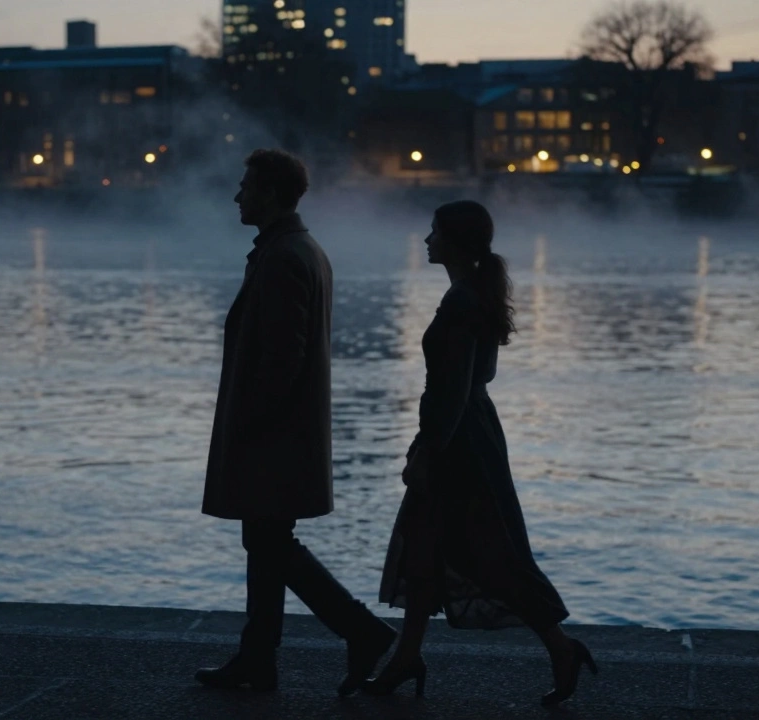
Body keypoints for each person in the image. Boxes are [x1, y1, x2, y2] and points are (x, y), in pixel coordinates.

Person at [362, 201, 596, 706]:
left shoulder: (462, 302)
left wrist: (426, 450)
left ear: (453, 241)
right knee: (426, 548)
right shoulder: (468, 295)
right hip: (468, 432)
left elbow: (453, 389)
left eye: (434, 233)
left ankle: (560, 646)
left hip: (459, 443)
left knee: (485, 551)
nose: (426, 241)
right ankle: (407, 656)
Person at [195, 149, 397, 697]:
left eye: (247, 186)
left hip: (273, 435)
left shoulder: (284, 257)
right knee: (265, 543)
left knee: (271, 544)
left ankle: (360, 631)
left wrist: (250, 424)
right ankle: (259, 657)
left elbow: (284, 356)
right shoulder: (297, 250)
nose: (237, 196)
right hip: (285, 432)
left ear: (272, 194)